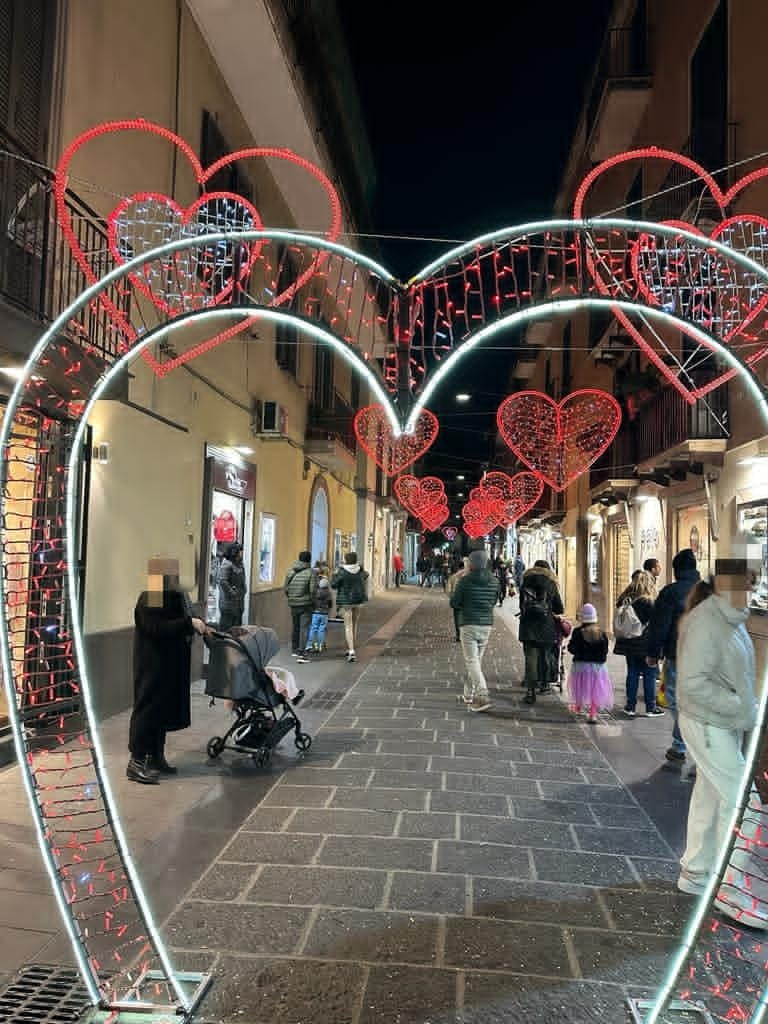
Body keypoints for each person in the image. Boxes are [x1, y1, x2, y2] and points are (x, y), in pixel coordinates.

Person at [676, 568, 766, 929]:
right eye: (751, 584)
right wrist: (742, 708)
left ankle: (696, 873)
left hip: (717, 724)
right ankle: (731, 889)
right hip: (709, 723)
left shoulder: (728, 619)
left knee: (711, 795)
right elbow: (694, 684)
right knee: (749, 806)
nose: (755, 591)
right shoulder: (709, 625)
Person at [128, 557, 207, 784]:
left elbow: (183, 617)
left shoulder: (173, 595)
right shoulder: (151, 596)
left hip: (168, 664)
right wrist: (188, 624)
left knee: (160, 712)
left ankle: (156, 756)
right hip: (153, 665)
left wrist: (196, 623)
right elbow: (155, 627)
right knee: (148, 709)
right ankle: (137, 761)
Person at [646, 548, 700, 763]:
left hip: (678, 654)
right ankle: (685, 742)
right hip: (705, 657)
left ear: (676, 570)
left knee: (676, 700)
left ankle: (681, 744)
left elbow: (660, 626)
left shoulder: (671, 592)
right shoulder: (709, 591)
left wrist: (652, 653)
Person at [450, 549, 500, 712]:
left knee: (472, 661)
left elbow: (454, 603)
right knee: (475, 661)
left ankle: (482, 694)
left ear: (471, 563)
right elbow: (494, 601)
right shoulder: (494, 581)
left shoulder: (465, 581)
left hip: (468, 623)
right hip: (486, 624)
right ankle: (468, 694)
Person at [614, 570, 665, 718]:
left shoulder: (626, 599)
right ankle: (650, 707)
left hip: (630, 642)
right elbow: (657, 624)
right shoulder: (650, 603)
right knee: (649, 675)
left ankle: (630, 706)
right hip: (647, 644)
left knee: (632, 673)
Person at [518, 559, 564, 705]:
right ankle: (544, 684)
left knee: (530, 658)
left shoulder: (526, 581)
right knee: (545, 655)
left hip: (528, 624)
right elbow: (559, 608)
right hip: (546, 625)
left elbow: (522, 604)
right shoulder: (551, 583)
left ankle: (530, 691)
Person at [567, 603, 613, 724]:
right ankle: (593, 715)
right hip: (598, 668)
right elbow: (605, 651)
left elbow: (572, 649)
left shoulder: (577, 632)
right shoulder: (602, 633)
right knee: (595, 691)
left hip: (581, 666)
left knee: (580, 688)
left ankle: (578, 707)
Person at [331, 552, 369, 662]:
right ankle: (351, 648)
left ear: (346, 560)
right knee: (355, 624)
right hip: (358, 600)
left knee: (348, 626)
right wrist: (360, 567)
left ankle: (351, 651)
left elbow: (333, 584)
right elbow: (366, 575)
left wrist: (335, 574)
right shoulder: (360, 570)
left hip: (346, 601)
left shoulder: (342, 571)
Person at [284, 550, 316, 664]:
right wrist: (313, 601)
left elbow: (286, 588)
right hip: (306, 604)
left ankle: (294, 649)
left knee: (295, 626)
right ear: (309, 560)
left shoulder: (291, 571)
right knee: (304, 628)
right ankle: (302, 653)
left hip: (293, 603)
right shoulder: (311, 572)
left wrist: (292, 598)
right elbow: (312, 591)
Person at [217, 541, 247, 631]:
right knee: (226, 630)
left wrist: (244, 589)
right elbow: (223, 581)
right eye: (239, 552)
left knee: (236, 629)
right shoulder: (227, 564)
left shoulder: (240, 564)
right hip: (228, 604)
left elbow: (242, 579)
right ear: (234, 553)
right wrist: (232, 593)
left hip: (238, 603)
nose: (241, 554)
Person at [306, 575, 332, 653]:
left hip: (315, 612)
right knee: (322, 629)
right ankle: (320, 645)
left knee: (313, 628)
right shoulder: (329, 593)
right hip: (324, 613)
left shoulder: (316, 592)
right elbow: (330, 604)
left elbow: (312, 601)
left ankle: (310, 645)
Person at [447, 556, 470, 641]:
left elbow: (448, 588)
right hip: (467, 600)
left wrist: (451, 596)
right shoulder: (470, 576)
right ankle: (465, 634)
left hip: (456, 600)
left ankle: (458, 635)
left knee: (457, 618)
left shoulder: (454, 576)